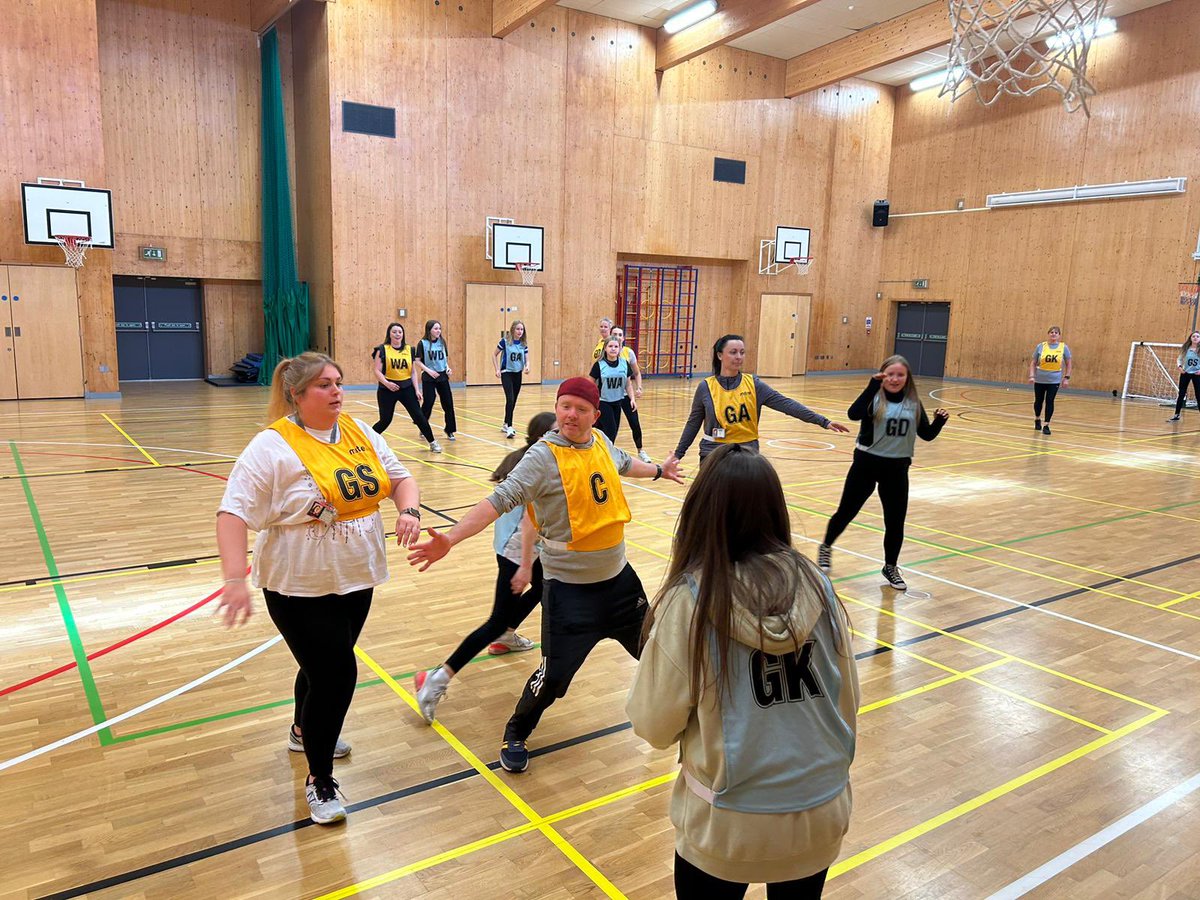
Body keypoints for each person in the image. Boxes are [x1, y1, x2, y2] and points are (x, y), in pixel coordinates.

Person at [408, 377, 684, 774]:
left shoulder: (602, 442)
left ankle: (687, 723)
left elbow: (626, 463)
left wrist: (659, 470)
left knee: (659, 651)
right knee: (553, 677)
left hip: (620, 582)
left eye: (580, 408)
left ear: (595, 414)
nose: (570, 414)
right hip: (570, 592)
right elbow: (497, 502)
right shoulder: (542, 457)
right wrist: (449, 539)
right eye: (564, 405)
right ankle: (516, 730)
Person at [628, 443, 858, 899]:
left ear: (701, 513)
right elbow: (847, 702)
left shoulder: (690, 600)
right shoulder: (821, 586)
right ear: (776, 511)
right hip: (820, 811)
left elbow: (652, 724)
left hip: (726, 821)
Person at [214, 352, 422, 825]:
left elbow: (400, 479)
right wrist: (233, 579)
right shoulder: (271, 447)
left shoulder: (359, 432)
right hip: (297, 584)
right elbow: (232, 513)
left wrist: (408, 510)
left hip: (356, 575)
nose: (337, 392)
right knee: (336, 674)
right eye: (325, 385)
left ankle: (302, 729)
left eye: (339, 382)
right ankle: (319, 779)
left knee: (320, 665)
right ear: (297, 394)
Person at [412, 412, 556, 723]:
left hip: (521, 548)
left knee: (545, 590)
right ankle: (435, 679)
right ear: (543, 437)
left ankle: (507, 633)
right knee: (495, 619)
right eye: (556, 430)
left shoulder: (530, 459)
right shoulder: (537, 466)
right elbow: (531, 519)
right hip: (518, 552)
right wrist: (525, 565)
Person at [818, 355, 949, 591]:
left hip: (897, 469)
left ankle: (890, 566)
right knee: (846, 511)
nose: (895, 379)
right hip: (866, 464)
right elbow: (853, 414)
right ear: (882, 376)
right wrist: (871, 385)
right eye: (890, 374)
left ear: (907, 378)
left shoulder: (913, 403)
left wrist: (939, 422)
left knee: (895, 522)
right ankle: (826, 546)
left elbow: (926, 435)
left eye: (900, 375)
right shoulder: (874, 398)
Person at [669, 334, 849, 465]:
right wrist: (678, 454)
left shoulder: (754, 384)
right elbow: (693, 423)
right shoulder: (706, 387)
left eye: (742, 352)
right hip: (714, 452)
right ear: (719, 355)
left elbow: (787, 404)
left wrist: (823, 421)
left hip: (747, 453)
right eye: (733, 352)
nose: (738, 357)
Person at [373, 322, 442, 452]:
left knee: (419, 416)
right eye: (394, 332)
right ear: (389, 334)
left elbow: (413, 372)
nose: (397, 334)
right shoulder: (382, 350)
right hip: (387, 389)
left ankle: (432, 442)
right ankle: (366, 440)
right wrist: (387, 383)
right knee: (385, 420)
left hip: (406, 388)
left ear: (403, 334)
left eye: (400, 332)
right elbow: (377, 371)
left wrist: (417, 389)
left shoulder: (410, 350)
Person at [609, 325, 652, 463]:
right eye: (614, 334)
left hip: (626, 395)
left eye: (620, 334)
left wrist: (639, 387)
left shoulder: (628, 353)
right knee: (611, 427)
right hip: (610, 396)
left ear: (623, 338)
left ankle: (641, 451)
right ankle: (608, 452)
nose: (617, 337)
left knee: (635, 423)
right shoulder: (605, 353)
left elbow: (636, 372)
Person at [590, 337, 637, 445]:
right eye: (610, 346)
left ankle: (599, 449)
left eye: (616, 346)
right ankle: (608, 453)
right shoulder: (599, 365)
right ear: (605, 348)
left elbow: (628, 385)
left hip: (618, 401)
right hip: (603, 401)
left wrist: (632, 399)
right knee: (611, 430)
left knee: (610, 430)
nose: (613, 349)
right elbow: (590, 384)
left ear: (620, 349)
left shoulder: (624, 364)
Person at [416, 319, 457, 441]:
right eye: (436, 328)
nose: (438, 331)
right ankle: (423, 426)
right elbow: (417, 360)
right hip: (429, 376)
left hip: (442, 376)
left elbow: (445, 359)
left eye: (439, 328)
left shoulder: (442, 342)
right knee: (429, 401)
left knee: (448, 403)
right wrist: (428, 370)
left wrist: (448, 368)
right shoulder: (422, 343)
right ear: (429, 330)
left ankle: (450, 430)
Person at [1028, 326, 1072, 435]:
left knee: (1050, 401)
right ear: (1048, 334)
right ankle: (1037, 418)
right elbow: (1033, 362)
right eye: (1051, 332)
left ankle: (1046, 424)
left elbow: (1068, 363)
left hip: (1054, 380)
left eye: (1056, 333)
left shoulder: (1063, 347)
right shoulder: (1041, 346)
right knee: (1038, 401)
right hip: (1040, 379)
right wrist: (1032, 375)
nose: (1053, 334)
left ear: (1059, 335)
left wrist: (1066, 377)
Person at [494, 319, 531, 439]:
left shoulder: (523, 344)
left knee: (513, 400)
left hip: (517, 373)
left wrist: (527, 366)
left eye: (522, 329)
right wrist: (497, 369)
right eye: (518, 329)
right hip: (506, 373)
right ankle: (510, 427)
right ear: (513, 329)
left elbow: (527, 359)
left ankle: (505, 423)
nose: (520, 331)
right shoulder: (505, 342)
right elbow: (494, 354)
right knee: (509, 398)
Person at [1168, 331, 1200, 422]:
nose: (1195, 338)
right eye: (1193, 336)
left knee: (1198, 395)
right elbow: (1179, 359)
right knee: (1181, 394)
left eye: (1197, 336)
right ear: (1190, 338)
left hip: (1197, 374)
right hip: (1185, 373)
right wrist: (1180, 367)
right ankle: (1176, 415)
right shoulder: (1186, 349)